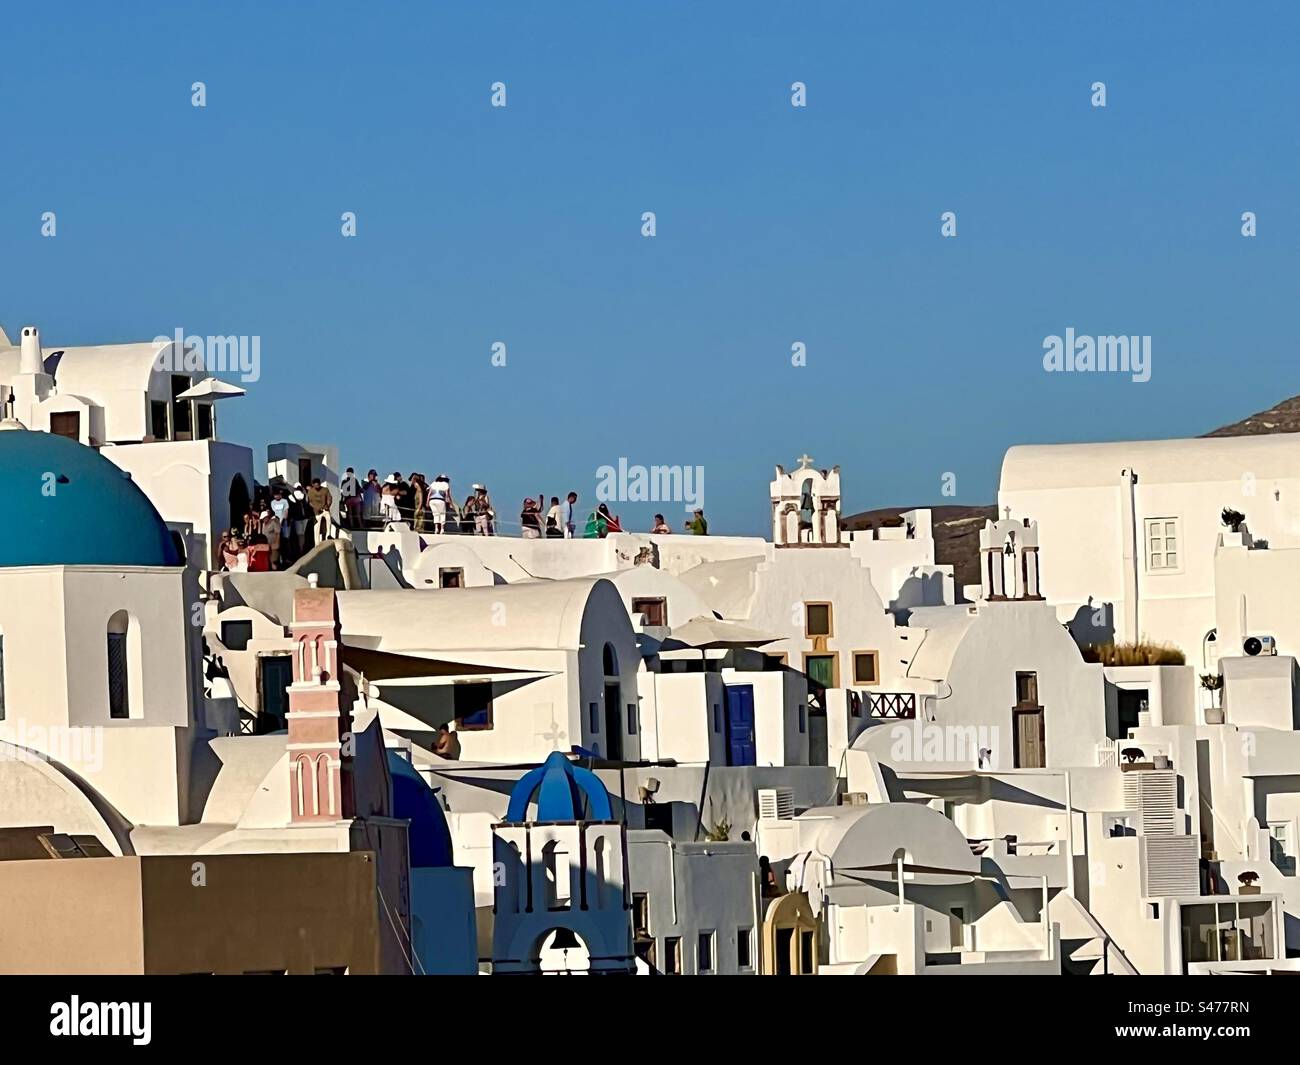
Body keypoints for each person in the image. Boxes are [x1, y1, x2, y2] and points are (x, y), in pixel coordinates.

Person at [307, 477, 333, 544]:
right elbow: (309, 502)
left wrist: (328, 505)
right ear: (313, 484)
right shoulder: (310, 491)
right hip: (316, 511)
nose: (317, 486)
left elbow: (330, 498)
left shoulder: (325, 490)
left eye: (318, 484)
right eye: (315, 484)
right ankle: (317, 543)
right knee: (316, 527)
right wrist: (315, 508)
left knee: (328, 520)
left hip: (325, 509)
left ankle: (328, 536)